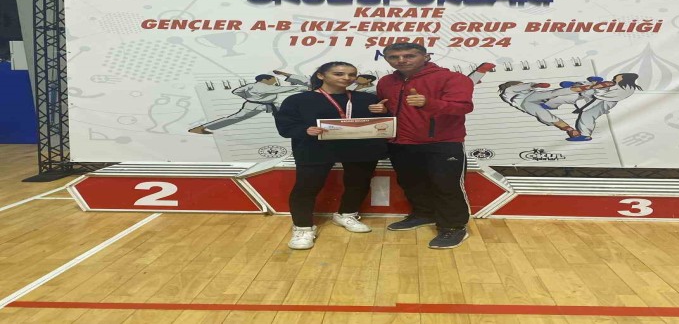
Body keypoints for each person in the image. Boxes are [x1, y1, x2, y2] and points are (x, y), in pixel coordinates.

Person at [369, 43, 474, 249]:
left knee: (447, 186)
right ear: (387, 59)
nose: (401, 60)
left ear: (426, 57)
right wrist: (380, 110)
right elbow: (393, 110)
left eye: (409, 55)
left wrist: (428, 102)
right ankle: (423, 214)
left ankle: (453, 227)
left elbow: (463, 107)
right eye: (394, 57)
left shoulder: (452, 78)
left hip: (442, 142)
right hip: (400, 142)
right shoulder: (386, 81)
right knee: (411, 183)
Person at [274, 61, 388, 250]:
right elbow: (285, 126)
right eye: (339, 74)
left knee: (358, 182)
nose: (346, 78)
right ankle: (303, 227)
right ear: (321, 75)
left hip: (360, 147)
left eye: (351, 75)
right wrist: (305, 130)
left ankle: (347, 214)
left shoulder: (367, 98)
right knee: (307, 187)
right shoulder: (298, 100)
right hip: (315, 147)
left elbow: (381, 124)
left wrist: (383, 112)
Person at [189, 74, 306, 134]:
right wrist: (304, 88)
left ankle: (202, 127)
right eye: (273, 80)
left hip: (256, 104)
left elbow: (236, 91)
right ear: (265, 79)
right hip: (257, 106)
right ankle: (201, 128)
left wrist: (247, 97)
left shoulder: (251, 85)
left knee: (290, 110)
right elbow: (285, 89)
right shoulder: (264, 87)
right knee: (235, 118)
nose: (275, 81)